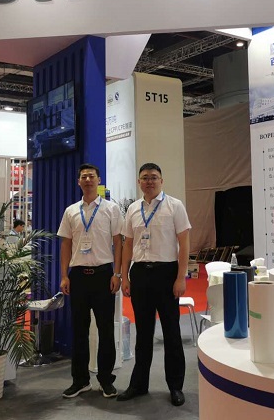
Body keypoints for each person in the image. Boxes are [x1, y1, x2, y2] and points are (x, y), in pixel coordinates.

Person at [117, 163, 191, 407]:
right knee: (143, 333)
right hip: (140, 273)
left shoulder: (174, 206)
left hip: (167, 273)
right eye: (145, 178)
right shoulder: (133, 209)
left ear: (161, 180)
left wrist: (180, 277)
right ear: (139, 182)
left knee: (171, 332)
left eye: (154, 177)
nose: (149, 181)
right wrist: (125, 276)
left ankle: (176, 386)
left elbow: (184, 243)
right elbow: (128, 244)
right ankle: (139, 384)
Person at [58, 163, 123, 399]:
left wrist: (117, 274)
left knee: (106, 330)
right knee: (79, 330)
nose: (87, 180)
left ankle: (106, 379)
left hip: (104, 276)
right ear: (79, 181)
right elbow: (66, 244)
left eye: (91, 176)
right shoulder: (71, 211)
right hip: (78, 276)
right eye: (84, 176)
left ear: (98, 180)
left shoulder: (111, 209)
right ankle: (80, 380)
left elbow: (119, 242)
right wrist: (64, 275)